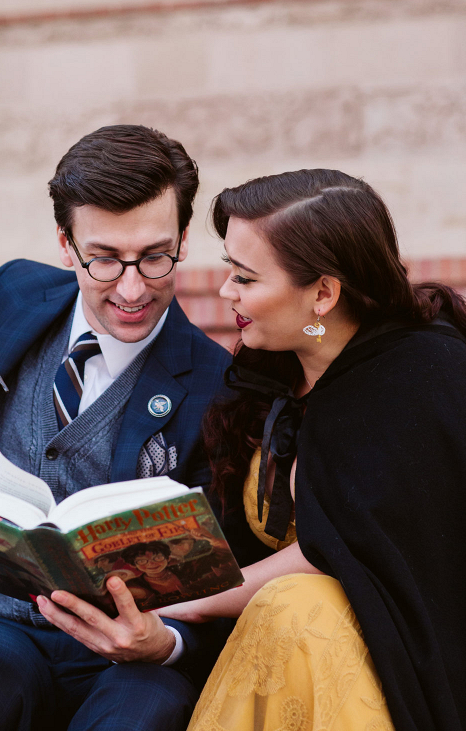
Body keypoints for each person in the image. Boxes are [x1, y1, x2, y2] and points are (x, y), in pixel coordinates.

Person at [0, 125, 264, 731]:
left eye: (155, 257)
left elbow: (229, 568)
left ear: (184, 239)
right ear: (64, 242)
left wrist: (165, 644)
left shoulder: (218, 387)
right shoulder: (15, 298)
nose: (132, 289)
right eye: (103, 259)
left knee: (143, 711)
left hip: (134, 661)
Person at [158, 169, 466, 731]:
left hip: (399, 668)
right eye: (229, 270)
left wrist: (193, 599)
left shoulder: (423, 377)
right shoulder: (267, 373)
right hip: (279, 654)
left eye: (245, 278)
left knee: (296, 607)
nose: (226, 292)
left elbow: (344, 546)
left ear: (323, 293)